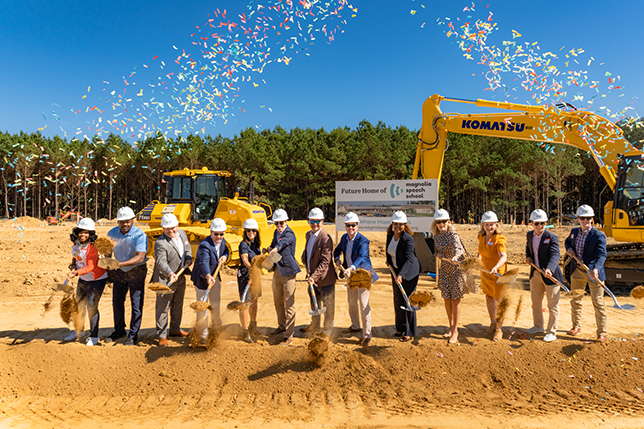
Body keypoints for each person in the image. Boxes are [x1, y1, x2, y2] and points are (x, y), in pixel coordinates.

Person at [333, 212, 378, 347]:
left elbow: (362, 256)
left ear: (357, 226)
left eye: (353, 225)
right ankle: (355, 326)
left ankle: (367, 335)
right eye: (348, 225)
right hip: (350, 275)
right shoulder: (344, 238)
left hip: (362, 275)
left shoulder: (363, 240)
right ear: (345, 226)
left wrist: (351, 267)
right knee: (352, 302)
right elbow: (337, 250)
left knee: (363, 304)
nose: (351, 228)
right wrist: (337, 259)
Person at [564, 205, 608, 343]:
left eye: (588, 218)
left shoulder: (599, 235)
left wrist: (596, 268)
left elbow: (602, 255)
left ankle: (602, 333)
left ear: (592, 219)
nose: (585, 220)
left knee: (598, 302)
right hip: (577, 271)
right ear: (578, 219)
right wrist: (569, 249)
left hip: (594, 273)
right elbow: (567, 241)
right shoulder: (574, 232)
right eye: (582, 218)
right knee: (576, 299)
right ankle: (576, 326)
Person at [107, 207, 148, 346]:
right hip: (119, 271)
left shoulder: (140, 235)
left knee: (136, 304)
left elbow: (141, 257)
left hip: (136, 271)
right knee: (117, 302)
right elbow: (107, 250)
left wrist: (121, 264)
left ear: (132, 220)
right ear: (118, 222)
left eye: (128, 221)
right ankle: (119, 330)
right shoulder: (112, 233)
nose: (125, 224)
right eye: (122, 222)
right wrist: (106, 261)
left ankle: (133, 334)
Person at [64, 217, 108, 346]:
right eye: (81, 231)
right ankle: (79, 331)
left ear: (91, 234)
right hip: (84, 278)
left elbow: (91, 267)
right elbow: (76, 256)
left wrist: (76, 272)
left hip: (96, 278)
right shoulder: (77, 243)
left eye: (86, 232)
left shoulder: (92, 247)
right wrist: (73, 264)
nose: (83, 235)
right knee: (79, 305)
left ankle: (94, 336)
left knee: (91, 305)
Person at [151, 214, 193, 347]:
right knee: (163, 307)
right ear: (163, 228)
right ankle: (162, 336)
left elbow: (187, 247)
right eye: (167, 228)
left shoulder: (182, 233)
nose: (171, 231)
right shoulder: (160, 243)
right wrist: (169, 273)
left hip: (180, 277)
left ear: (178, 225)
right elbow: (161, 262)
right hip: (166, 280)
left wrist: (189, 257)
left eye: (173, 227)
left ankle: (175, 329)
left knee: (177, 304)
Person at [525, 209, 564, 342]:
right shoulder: (529, 235)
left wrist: (550, 269)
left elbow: (555, 255)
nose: (540, 226)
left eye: (542, 223)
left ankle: (552, 332)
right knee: (536, 303)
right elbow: (528, 247)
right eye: (537, 223)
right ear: (532, 224)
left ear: (546, 223)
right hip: (536, 273)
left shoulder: (552, 237)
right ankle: (538, 326)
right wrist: (528, 256)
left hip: (550, 275)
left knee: (552, 305)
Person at [431, 209, 467, 344]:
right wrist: (438, 255)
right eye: (439, 222)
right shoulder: (436, 236)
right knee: (447, 299)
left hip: (457, 269)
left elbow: (459, 248)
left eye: (444, 221)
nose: (441, 224)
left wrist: (456, 256)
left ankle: (456, 330)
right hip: (445, 270)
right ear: (435, 223)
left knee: (455, 300)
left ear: (448, 222)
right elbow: (436, 251)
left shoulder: (454, 235)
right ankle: (451, 326)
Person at [191, 218, 229, 343]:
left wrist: (224, 257)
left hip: (215, 277)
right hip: (202, 279)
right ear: (211, 232)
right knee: (203, 309)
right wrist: (208, 276)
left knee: (215, 305)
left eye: (221, 234)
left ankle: (216, 329)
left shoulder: (222, 242)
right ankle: (202, 336)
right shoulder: (204, 245)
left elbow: (226, 251)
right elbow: (204, 262)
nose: (219, 236)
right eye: (216, 234)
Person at [301, 208, 336, 340]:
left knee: (328, 307)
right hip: (312, 279)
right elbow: (308, 250)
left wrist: (313, 276)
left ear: (322, 222)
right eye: (312, 221)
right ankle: (314, 326)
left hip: (325, 279)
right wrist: (304, 257)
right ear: (309, 221)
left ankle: (327, 332)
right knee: (314, 304)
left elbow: (325, 262)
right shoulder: (308, 235)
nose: (315, 224)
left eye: (318, 221)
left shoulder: (326, 238)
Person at [267, 209, 301, 346]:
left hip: (288, 272)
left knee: (289, 304)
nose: (279, 225)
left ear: (286, 222)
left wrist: (275, 248)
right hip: (277, 271)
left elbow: (283, 243)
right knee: (277, 301)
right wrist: (269, 248)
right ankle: (281, 326)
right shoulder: (276, 232)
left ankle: (289, 335)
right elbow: (274, 243)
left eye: (281, 223)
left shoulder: (290, 234)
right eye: (276, 223)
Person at [386, 211, 420, 342]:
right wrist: (388, 261)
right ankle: (399, 328)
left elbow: (409, 259)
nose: (397, 227)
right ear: (392, 224)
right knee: (398, 300)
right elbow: (388, 250)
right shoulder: (390, 235)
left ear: (405, 225)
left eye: (400, 224)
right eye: (395, 224)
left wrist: (401, 274)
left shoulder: (408, 239)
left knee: (408, 301)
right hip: (395, 271)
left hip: (409, 273)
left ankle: (409, 332)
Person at [477, 211, 508, 342]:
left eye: (491, 224)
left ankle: (499, 329)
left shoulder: (499, 239)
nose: (489, 227)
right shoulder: (481, 237)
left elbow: (504, 256)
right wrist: (478, 262)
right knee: (489, 296)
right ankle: (492, 323)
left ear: (496, 225)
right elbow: (480, 253)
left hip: (498, 273)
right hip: (485, 272)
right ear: (483, 225)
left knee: (498, 299)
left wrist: (496, 266)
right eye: (486, 224)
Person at [237, 218, 261, 343]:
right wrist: (252, 269)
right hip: (246, 276)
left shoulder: (255, 244)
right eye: (248, 230)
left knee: (254, 300)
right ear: (245, 232)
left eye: (253, 230)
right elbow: (245, 259)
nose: (251, 232)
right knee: (245, 304)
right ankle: (245, 331)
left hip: (255, 276)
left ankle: (253, 326)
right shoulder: (243, 245)